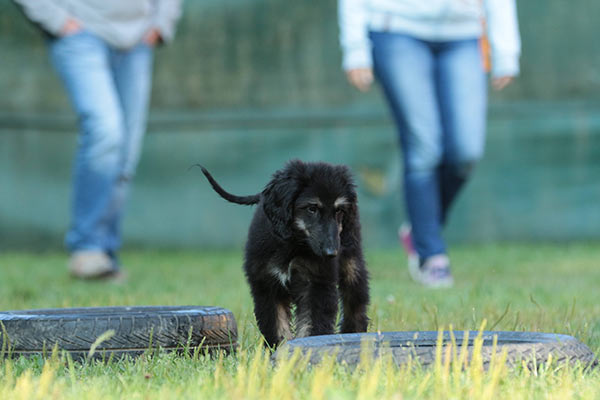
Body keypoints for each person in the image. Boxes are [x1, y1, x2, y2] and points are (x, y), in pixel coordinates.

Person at [338, 0, 521, 287]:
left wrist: (506, 49)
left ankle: (421, 227)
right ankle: (431, 254)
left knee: (466, 150)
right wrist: (355, 48)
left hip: (463, 34)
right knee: (424, 146)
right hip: (395, 28)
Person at [14, 0, 182, 280]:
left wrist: (161, 23)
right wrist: (56, 20)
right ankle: (88, 248)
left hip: (138, 38)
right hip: (80, 31)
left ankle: (104, 256)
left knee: (126, 152)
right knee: (106, 131)